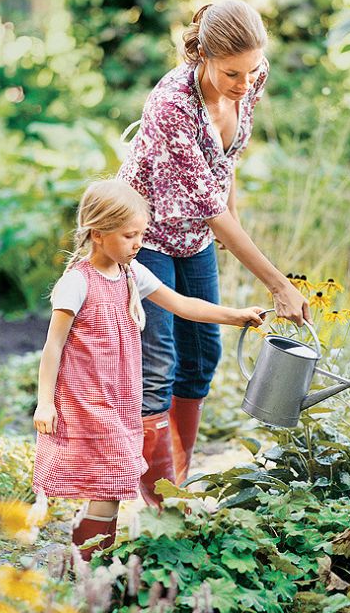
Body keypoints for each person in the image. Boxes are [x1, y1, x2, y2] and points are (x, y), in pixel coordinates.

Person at [119, 0, 311, 502]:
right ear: (202, 55)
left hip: (196, 236)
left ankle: (175, 479)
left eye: (252, 70)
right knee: (157, 362)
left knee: (203, 355)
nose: (245, 84)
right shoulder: (171, 106)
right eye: (232, 72)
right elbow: (208, 207)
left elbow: (226, 168)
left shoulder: (250, 77)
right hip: (147, 236)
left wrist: (235, 225)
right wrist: (278, 283)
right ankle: (156, 498)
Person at [32, 179, 264, 560]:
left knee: (108, 483)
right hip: (87, 399)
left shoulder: (131, 274)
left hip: (120, 397)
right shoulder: (76, 283)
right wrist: (45, 404)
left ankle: (87, 559)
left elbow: (182, 304)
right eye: (129, 235)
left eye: (142, 234)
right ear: (98, 234)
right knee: (111, 481)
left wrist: (235, 316)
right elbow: (52, 346)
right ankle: (90, 566)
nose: (138, 243)